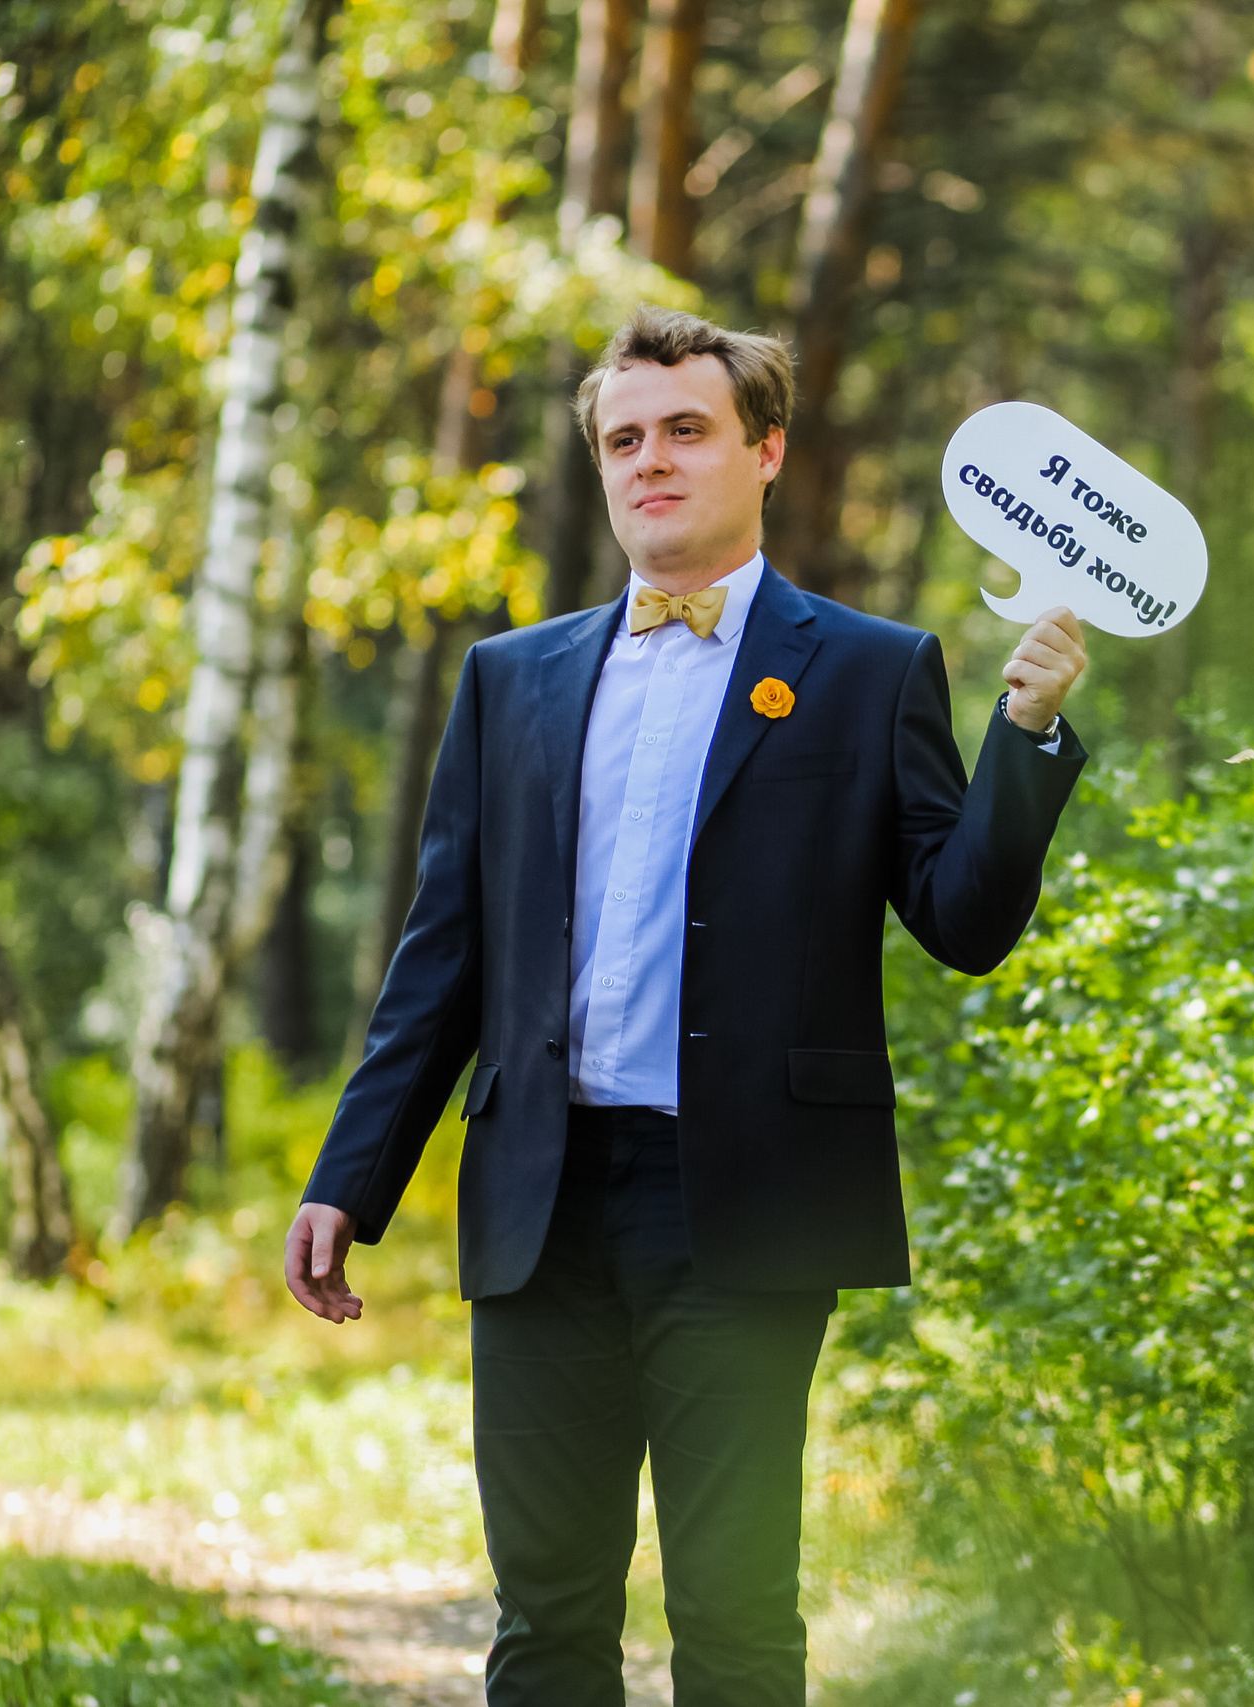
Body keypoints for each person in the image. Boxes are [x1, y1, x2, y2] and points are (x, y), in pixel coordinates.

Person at [281, 304, 1088, 1707]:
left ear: (765, 450)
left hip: (749, 1209)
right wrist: (353, 1176)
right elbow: (444, 959)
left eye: (688, 431)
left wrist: (1024, 739)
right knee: (546, 1622)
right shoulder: (509, 678)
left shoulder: (870, 669)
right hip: (541, 1201)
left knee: (733, 1620)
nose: (652, 460)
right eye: (625, 438)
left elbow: (962, 924)